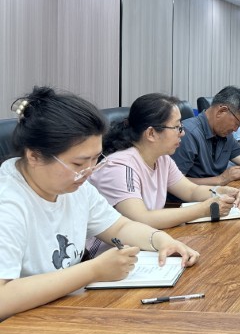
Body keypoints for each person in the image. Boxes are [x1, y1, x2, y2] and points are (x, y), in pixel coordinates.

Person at [0, 87, 199, 319]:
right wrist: (93, 270)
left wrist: (162, 240)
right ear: (34, 156)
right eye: (78, 163)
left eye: (96, 159)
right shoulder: (8, 202)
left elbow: (119, 227)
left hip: (64, 311)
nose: (88, 172)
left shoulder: (75, 187)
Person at [87, 93, 240, 257]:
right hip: (106, 255)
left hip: (145, 246)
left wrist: (220, 192)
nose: (182, 133)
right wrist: (203, 209)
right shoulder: (119, 167)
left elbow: (191, 191)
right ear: (151, 133)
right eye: (177, 127)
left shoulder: (162, 159)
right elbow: (141, 218)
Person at [171, 86, 240, 185]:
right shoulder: (188, 134)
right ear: (222, 111)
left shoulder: (225, 134)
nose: (235, 129)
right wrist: (220, 179)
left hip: (216, 191)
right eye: (237, 123)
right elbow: (173, 183)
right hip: (193, 195)